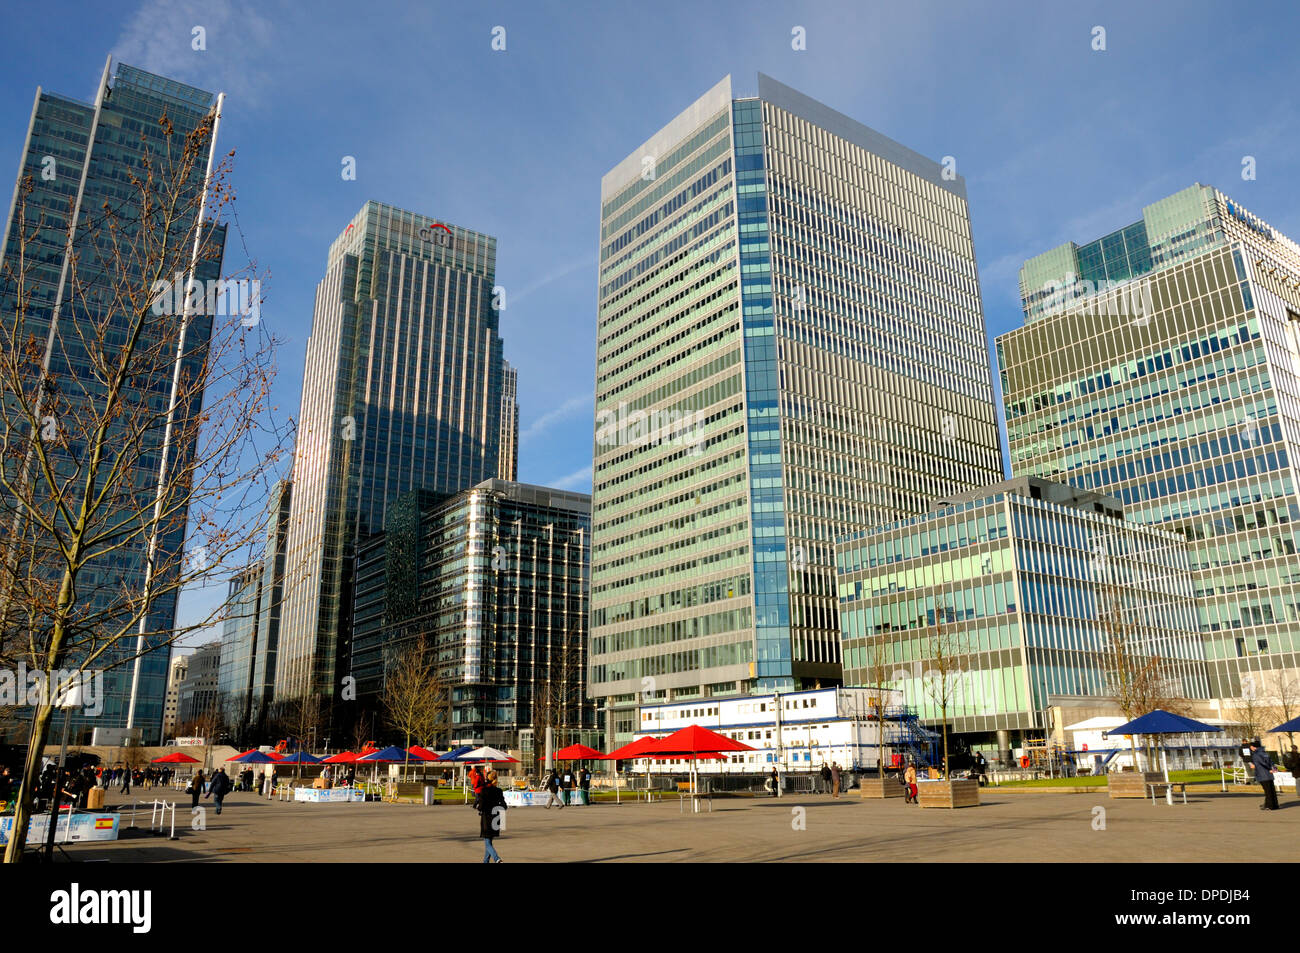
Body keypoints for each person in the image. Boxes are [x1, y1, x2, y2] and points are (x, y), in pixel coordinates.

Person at [475, 769, 507, 863]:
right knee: (489, 841)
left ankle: (497, 858)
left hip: (487, 818)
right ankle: (485, 861)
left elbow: (480, 807)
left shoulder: (484, 791)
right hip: (496, 817)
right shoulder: (499, 791)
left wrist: (477, 807)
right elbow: (504, 805)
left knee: (487, 842)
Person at [1249, 739, 1279, 812]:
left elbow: (1261, 764)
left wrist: (1254, 765)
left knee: (1267, 791)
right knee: (1271, 790)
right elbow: (1271, 761)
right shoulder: (1265, 753)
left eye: (1251, 747)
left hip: (1263, 774)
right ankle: (1274, 805)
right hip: (1269, 774)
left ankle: (1269, 805)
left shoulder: (1256, 754)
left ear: (1254, 747)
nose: (1250, 748)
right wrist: (1274, 769)